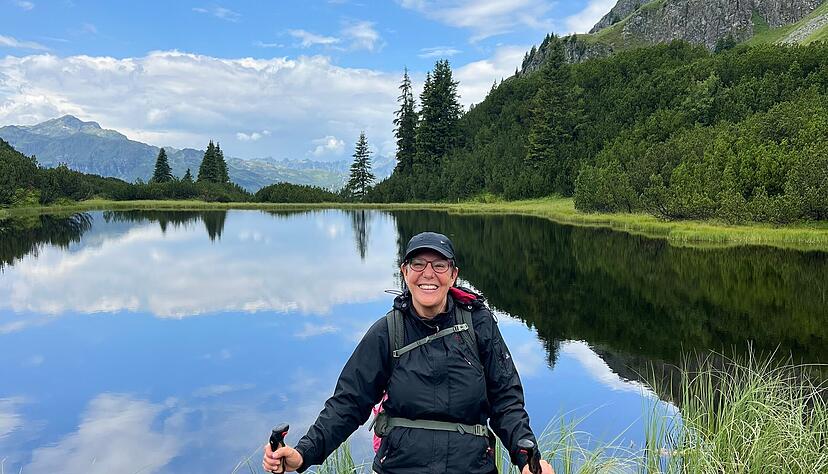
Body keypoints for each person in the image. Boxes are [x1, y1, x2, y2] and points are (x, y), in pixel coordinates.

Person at [263, 232, 554, 474]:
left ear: (453, 275)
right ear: (404, 272)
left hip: (471, 467)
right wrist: (303, 454)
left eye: (439, 265)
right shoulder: (387, 332)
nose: (428, 274)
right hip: (401, 467)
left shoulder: (479, 326)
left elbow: (506, 402)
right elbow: (349, 404)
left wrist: (528, 458)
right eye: (418, 264)